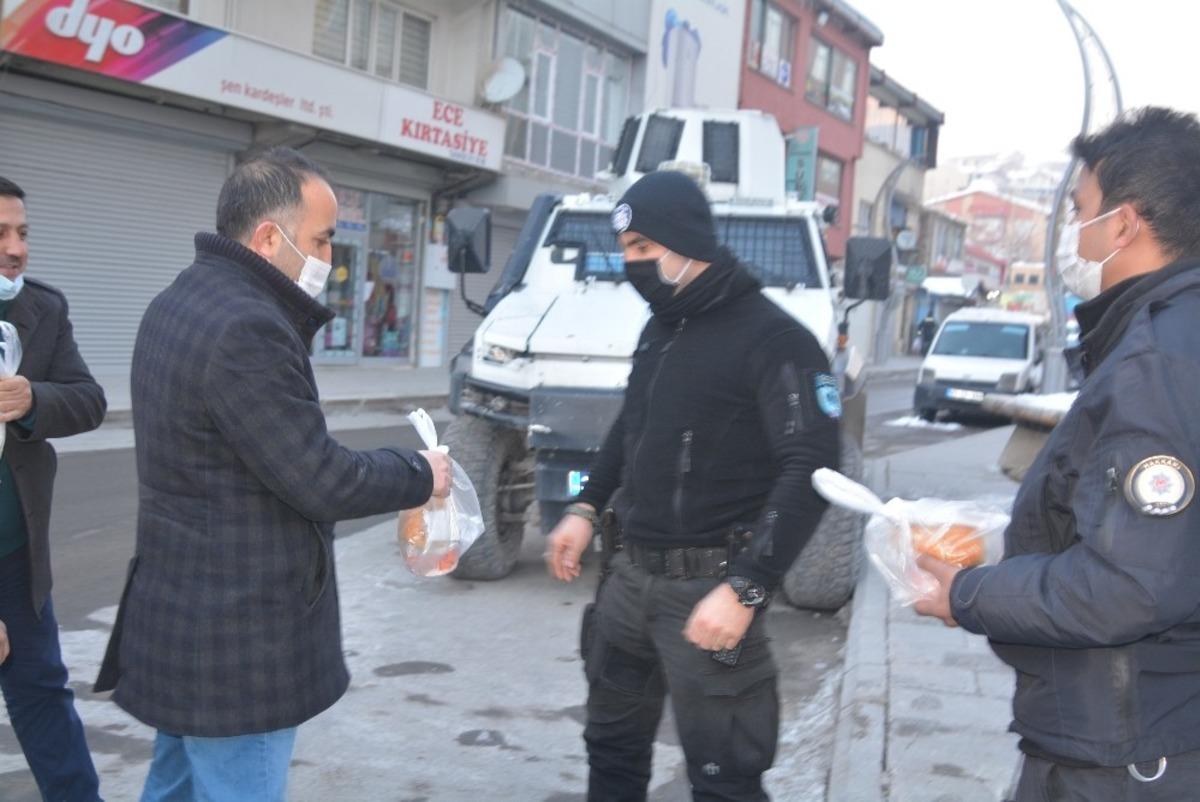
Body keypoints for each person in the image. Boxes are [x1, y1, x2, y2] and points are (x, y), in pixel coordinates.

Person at [93, 148, 452, 802]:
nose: (329, 260)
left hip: (182, 618)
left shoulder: (177, 301)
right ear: (267, 237)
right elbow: (321, 479)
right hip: (237, 645)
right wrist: (419, 473)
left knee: (172, 787)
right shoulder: (247, 328)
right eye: (320, 240)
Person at [914, 107, 1200, 800]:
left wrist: (967, 593)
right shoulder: (1174, 339)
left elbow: (1128, 586)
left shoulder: (1154, 361)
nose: (1075, 232)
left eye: (1082, 211)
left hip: (1125, 747)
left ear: (1125, 224)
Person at [546, 170, 840, 801]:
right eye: (625, 250)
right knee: (612, 754)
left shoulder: (775, 338)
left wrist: (748, 588)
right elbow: (632, 428)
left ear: (687, 244)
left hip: (712, 593)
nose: (631, 265)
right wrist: (585, 506)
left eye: (643, 250)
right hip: (627, 585)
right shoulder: (662, 327)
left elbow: (811, 470)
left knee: (724, 779)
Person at [0, 176, 108, 800]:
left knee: (41, 689)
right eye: (1, 234)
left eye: (23, 233)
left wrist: (34, 399)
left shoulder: (42, 309)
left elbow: (89, 400)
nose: (16, 249)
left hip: (16, 553)